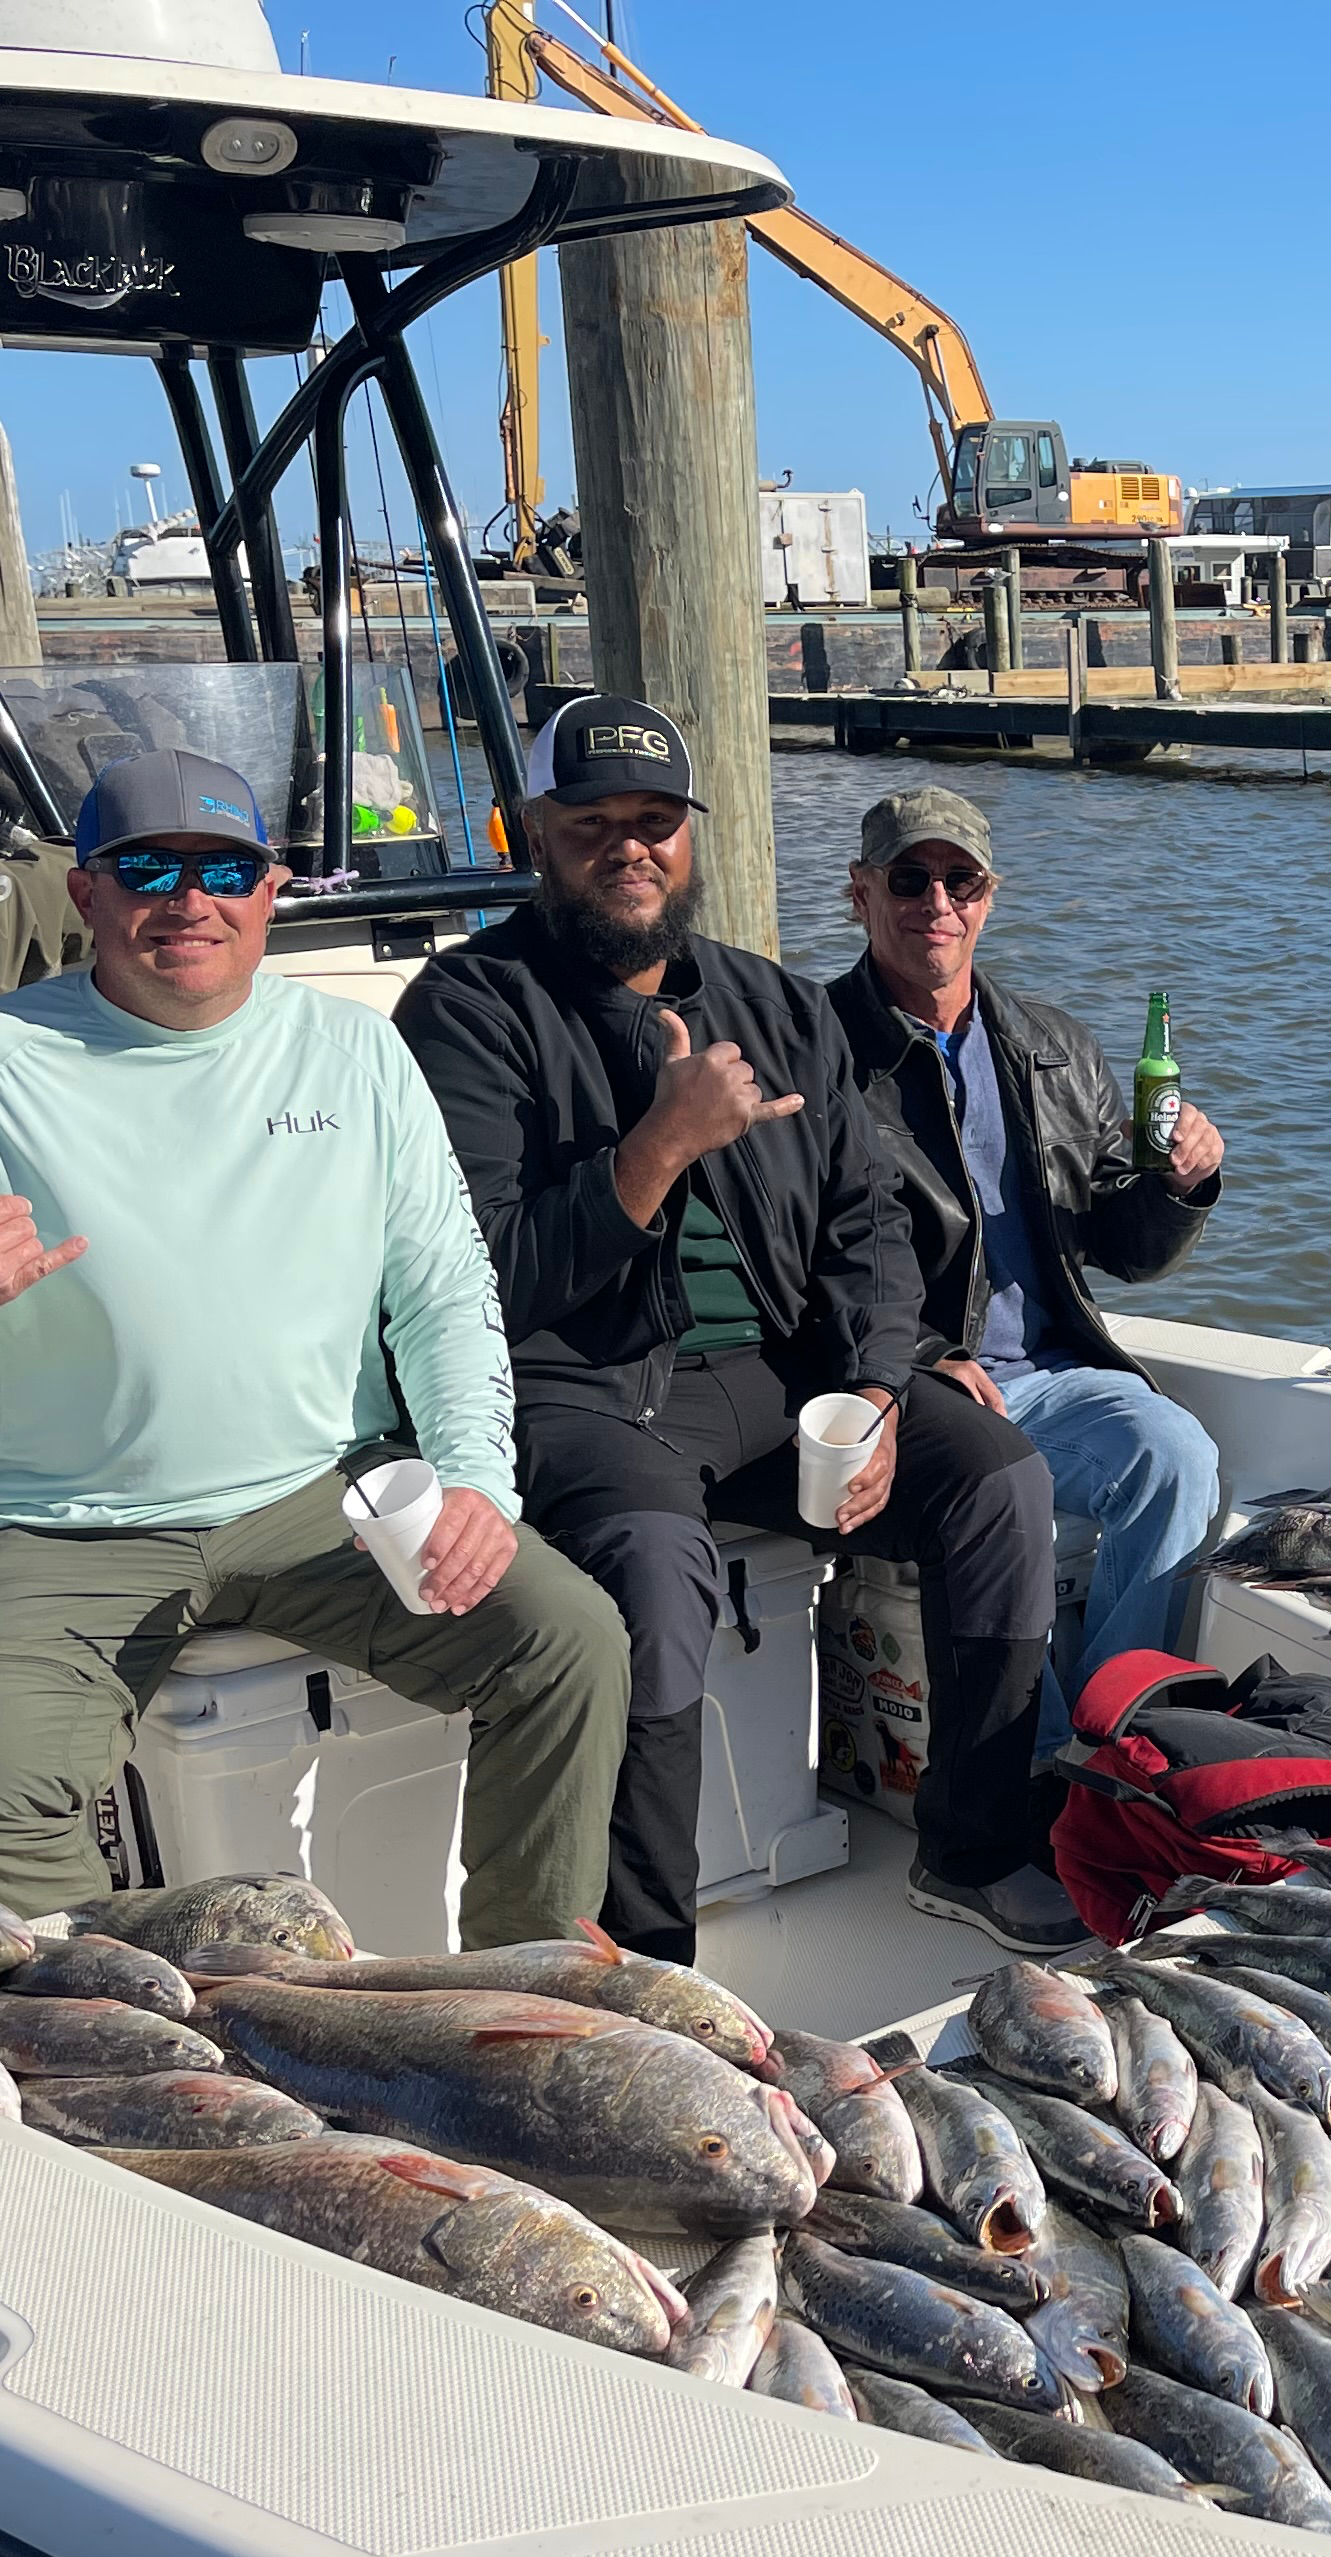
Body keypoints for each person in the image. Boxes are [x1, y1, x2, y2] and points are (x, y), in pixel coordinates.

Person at [0, 748, 627, 1937]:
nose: (187, 901)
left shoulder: (357, 1051)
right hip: (72, 1524)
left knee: (570, 1640)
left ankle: (523, 1989)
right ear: (86, 893)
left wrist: (475, 1480)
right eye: (146, 869)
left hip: (328, 1494)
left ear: (271, 891)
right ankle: (145, 2002)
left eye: (222, 870)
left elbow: (442, 1289)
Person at [397, 698, 1081, 1960]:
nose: (630, 847)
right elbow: (479, 1281)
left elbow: (870, 1230)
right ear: (533, 834)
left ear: (691, 835)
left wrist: (878, 1387)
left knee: (998, 1479)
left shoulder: (777, 1005)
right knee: (656, 1573)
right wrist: (660, 1144)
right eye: (592, 824)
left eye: (656, 821)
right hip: (582, 1386)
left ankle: (975, 1846)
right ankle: (653, 1961)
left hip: (776, 1374)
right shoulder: (467, 1010)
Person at [825, 787, 1224, 1745]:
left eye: (960, 881)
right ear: (861, 893)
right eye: (910, 879)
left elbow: (1125, 1251)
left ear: (989, 898)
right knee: (998, 1496)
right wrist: (921, 1358)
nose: (938, 903)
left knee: (1178, 1458)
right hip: (906, 1385)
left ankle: (1108, 1728)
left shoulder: (1055, 1046)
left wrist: (1181, 1184)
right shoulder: (814, 1048)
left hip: (1051, 1374)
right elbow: (789, 1254)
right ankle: (1029, 1763)